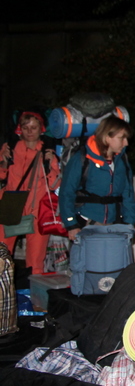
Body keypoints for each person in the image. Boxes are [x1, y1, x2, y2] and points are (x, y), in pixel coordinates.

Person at [0, 112, 59, 274]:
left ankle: (34, 287)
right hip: (11, 204)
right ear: (20, 129)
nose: (30, 131)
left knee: (35, 260)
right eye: (26, 127)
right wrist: (4, 162)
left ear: (41, 129)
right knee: (2, 252)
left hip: (37, 208)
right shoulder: (11, 148)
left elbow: (55, 184)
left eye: (34, 127)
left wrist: (50, 164)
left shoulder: (46, 151)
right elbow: (2, 176)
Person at [60, 116, 135, 240]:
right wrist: (71, 224)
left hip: (115, 224)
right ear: (107, 137)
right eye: (121, 138)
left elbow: (127, 193)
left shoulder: (121, 161)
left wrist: (129, 223)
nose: (126, 143)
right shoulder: (82, 159)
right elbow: (66, 192)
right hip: (86, 223)